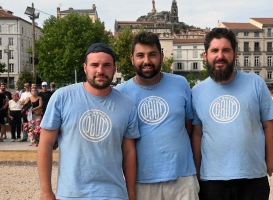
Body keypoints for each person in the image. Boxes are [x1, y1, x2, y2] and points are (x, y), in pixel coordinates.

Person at [37, 43, 140, 200]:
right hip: (71, 194)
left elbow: (129, 152)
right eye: (94, 65)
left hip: (113, 194)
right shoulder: (62, 97)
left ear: (114, 69)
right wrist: (46, 191)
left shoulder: (127, 104)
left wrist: (131, 193)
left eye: (106, 65)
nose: (100, 70)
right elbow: (45, 143)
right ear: (85, 68)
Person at [191, 28, 273, 200]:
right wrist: (197, 169)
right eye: (214, 50)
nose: (220, 56)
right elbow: (197, 134)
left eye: (226, 50)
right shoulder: (197, 91)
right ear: (205, 55)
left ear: (235, 54)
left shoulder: (256, 83)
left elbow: (269, 125)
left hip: (252, 175)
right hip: (212, 178)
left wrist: (271, 162)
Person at [116, 31, 199, 200]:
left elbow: (188, 127)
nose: (147, 61)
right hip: (141, 182)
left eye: (152, 55)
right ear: (132, 58)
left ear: (161, 56)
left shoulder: (180, 84)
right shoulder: (120, 94)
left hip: (182, 179)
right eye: (140, 55)